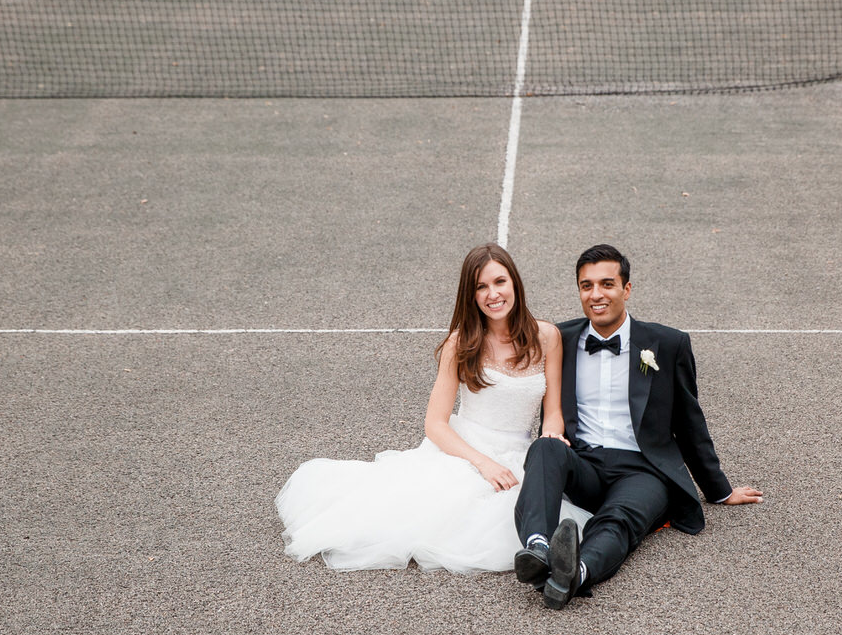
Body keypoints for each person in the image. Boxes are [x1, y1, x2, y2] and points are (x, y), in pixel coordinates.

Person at [277, 244, 588, 574]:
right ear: (470, 295)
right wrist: (484, 464)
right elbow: (435, 424)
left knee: (532, 519)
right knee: (425, 520)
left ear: (515, 283)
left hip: (520, 453)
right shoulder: (461, 342)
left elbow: (552, 411)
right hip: (465, 451)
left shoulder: (547, 336)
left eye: (500, 282)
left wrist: (552, 436)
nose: (493, 294)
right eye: (481, 287)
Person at [513, 244, 762, 609]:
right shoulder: (559, 339)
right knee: (546, 446)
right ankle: (537, 548)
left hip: (643, 471)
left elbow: (690, 422)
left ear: (626, 289)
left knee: (618, 519)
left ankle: (575, 573)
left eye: (607, 284)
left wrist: (719, 490)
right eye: (586, 286)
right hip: (583, 464)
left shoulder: (668, 344)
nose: (596, 294)